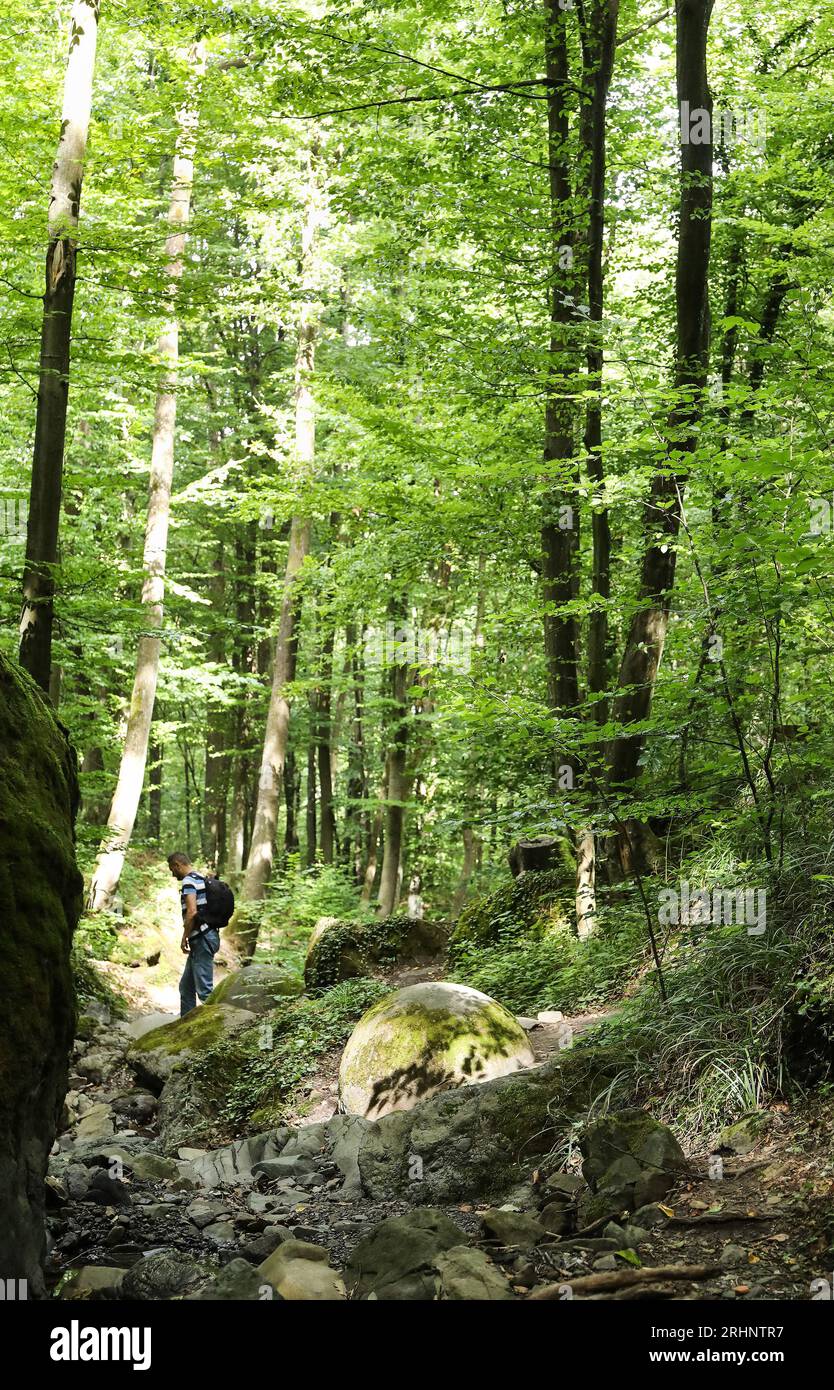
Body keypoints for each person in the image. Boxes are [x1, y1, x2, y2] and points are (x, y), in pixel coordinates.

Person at [167, 852, 219, 1017]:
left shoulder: (189, 881)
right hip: (205, 937)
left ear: (177, 865)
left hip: (202, 938)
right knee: (186, 987)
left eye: (172, 869)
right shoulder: (200, 878)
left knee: (205, 992)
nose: (172, 874)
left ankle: (219, 1029)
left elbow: (191, 912)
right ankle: (185, 1025)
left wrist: (184, 936)